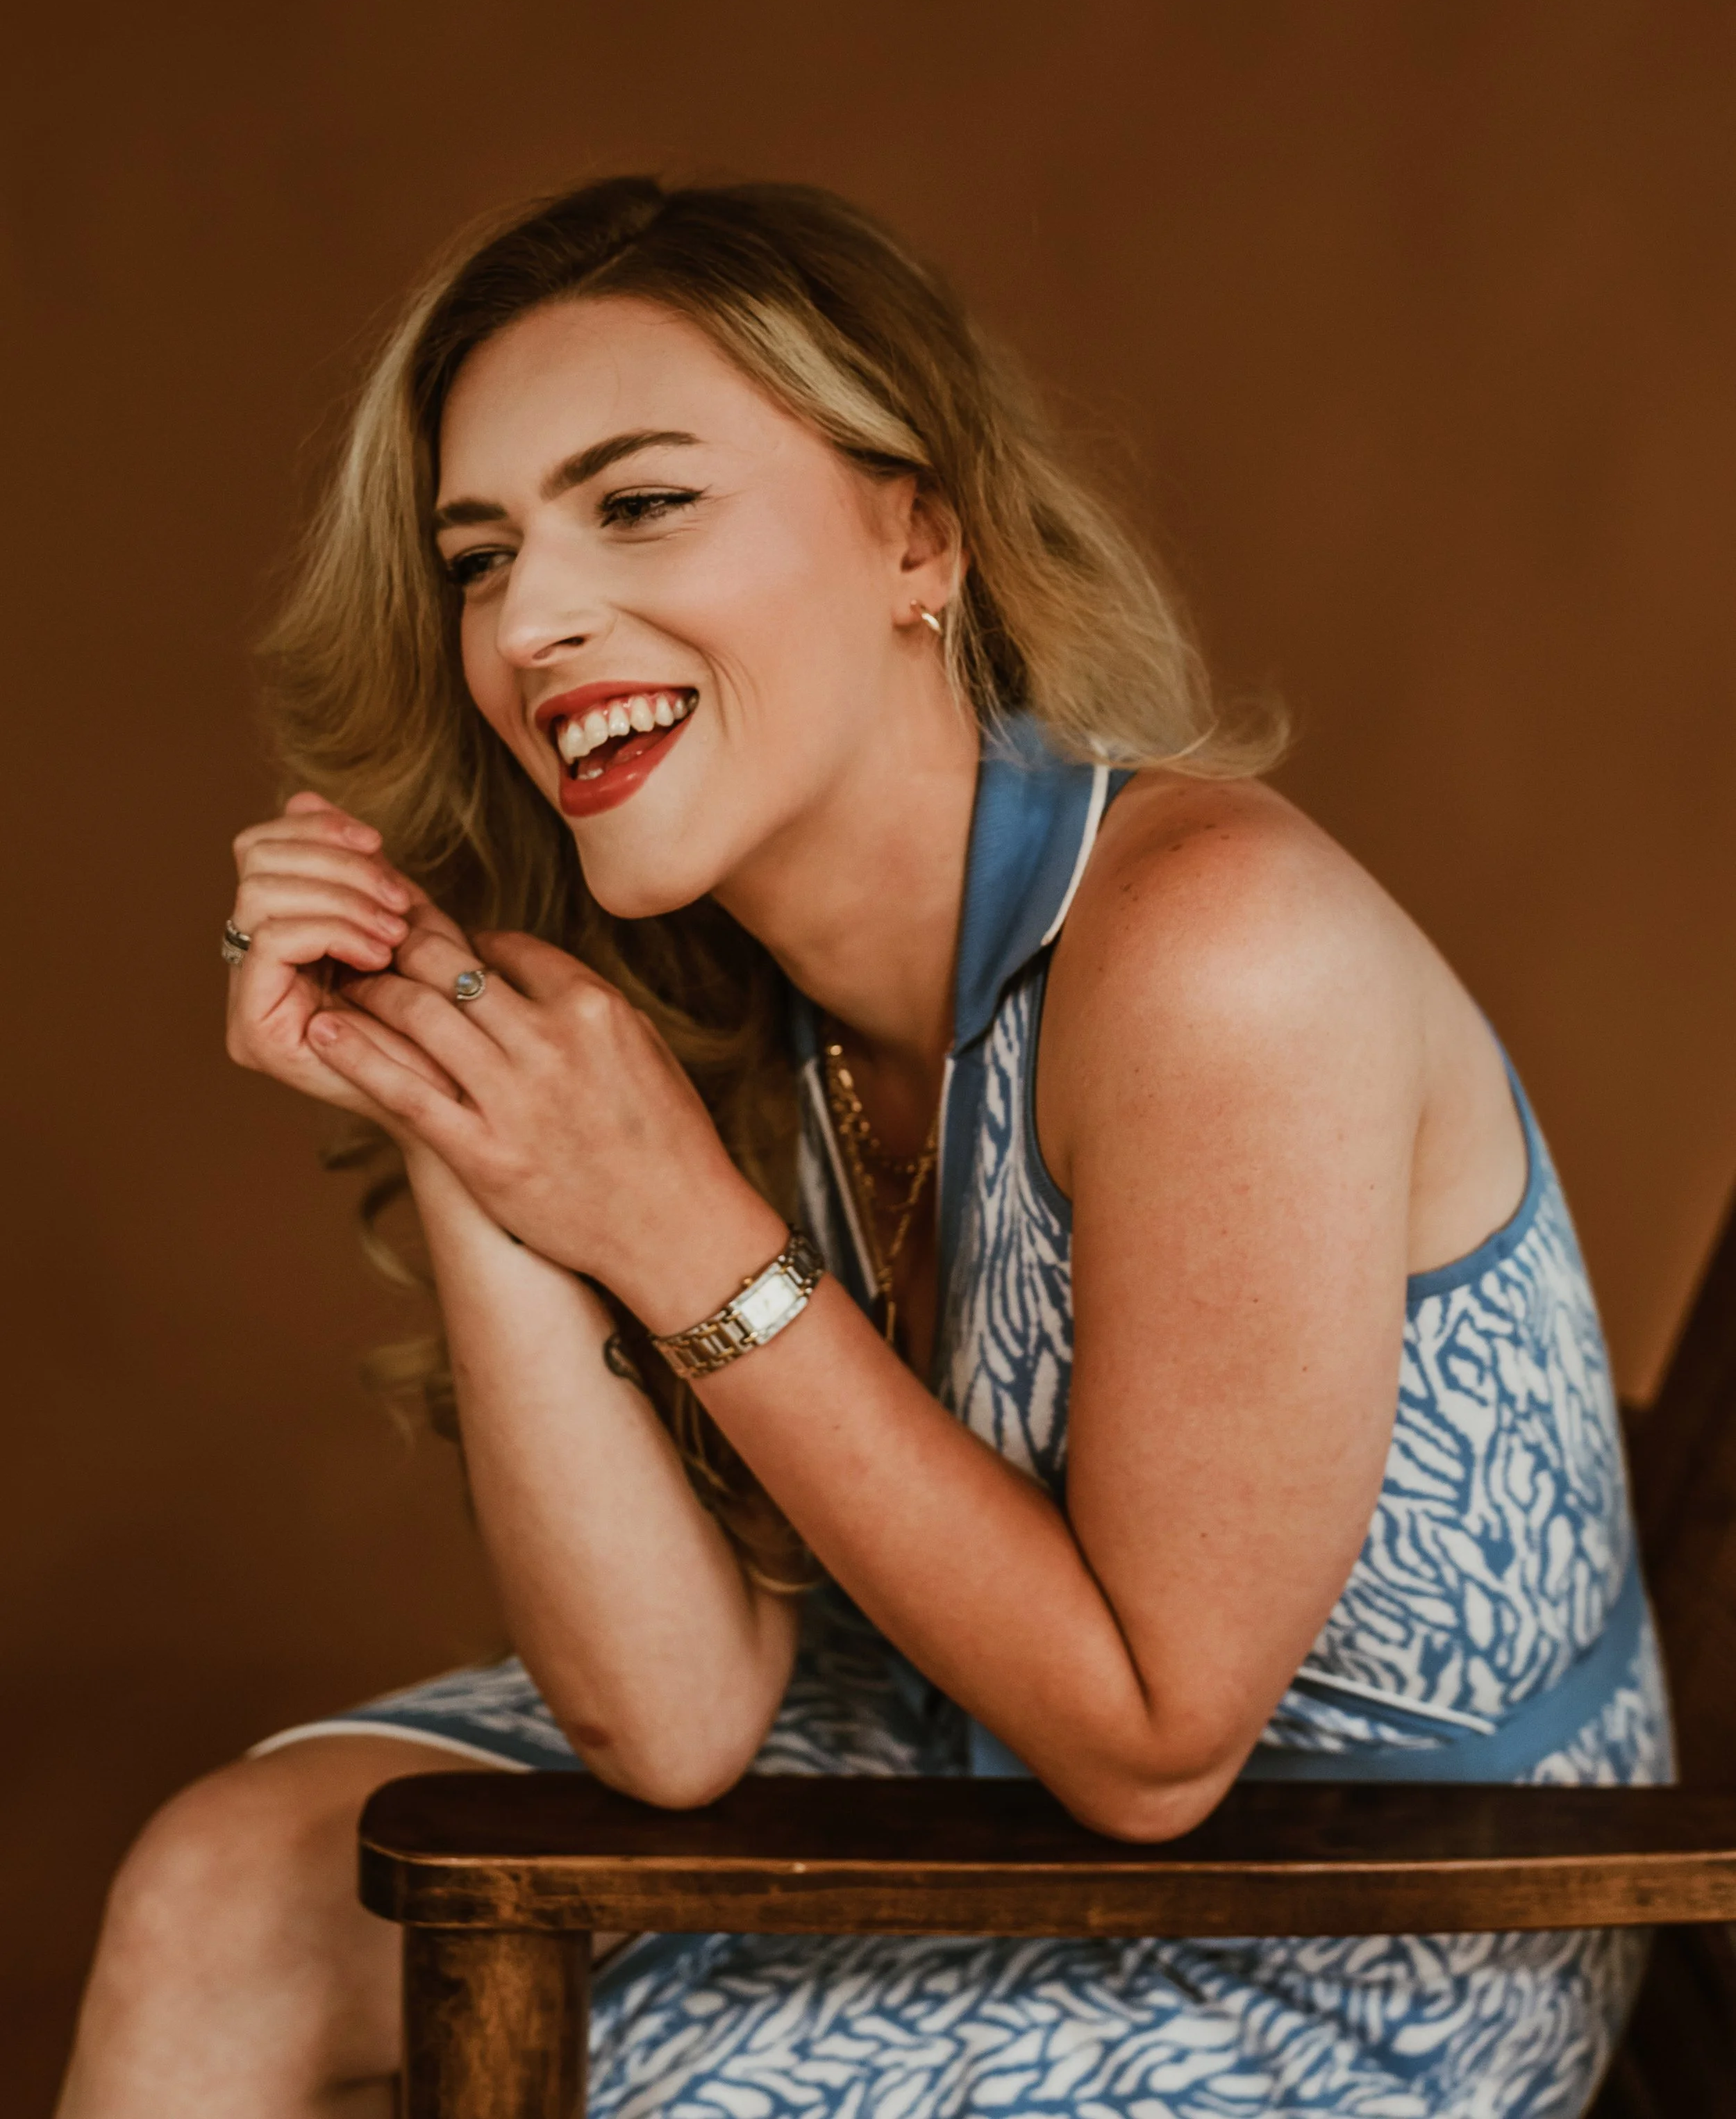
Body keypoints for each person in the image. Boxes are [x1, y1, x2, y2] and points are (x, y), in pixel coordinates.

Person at [58, 178, 1669, 2118]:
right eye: (478, 555)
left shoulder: (1217, 952)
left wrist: (674, 1234)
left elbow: (1157, 1743)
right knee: (223, 1891)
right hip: (937, 1775)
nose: (534, 620)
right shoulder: (736, 984)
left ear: (919, 536)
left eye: (636, 502)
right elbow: (668, 1722)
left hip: (1362, 1931)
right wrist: (461, 1094)